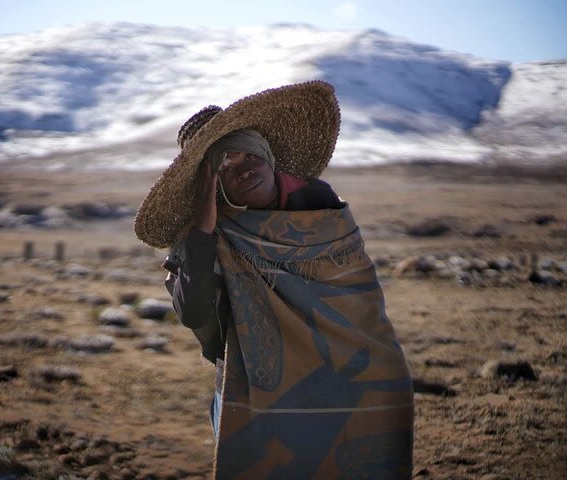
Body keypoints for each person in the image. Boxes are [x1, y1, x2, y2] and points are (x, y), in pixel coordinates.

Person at [134, 81, 414, 479]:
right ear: (210, 185)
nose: (244, 167)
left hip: (344, 382)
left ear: (267, 154)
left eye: (250, 154)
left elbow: (356, 293)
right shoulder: (200, 235)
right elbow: (193, 310)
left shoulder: (319, 204)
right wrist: (203, 233)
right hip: (246, 387)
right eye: (225, 167)